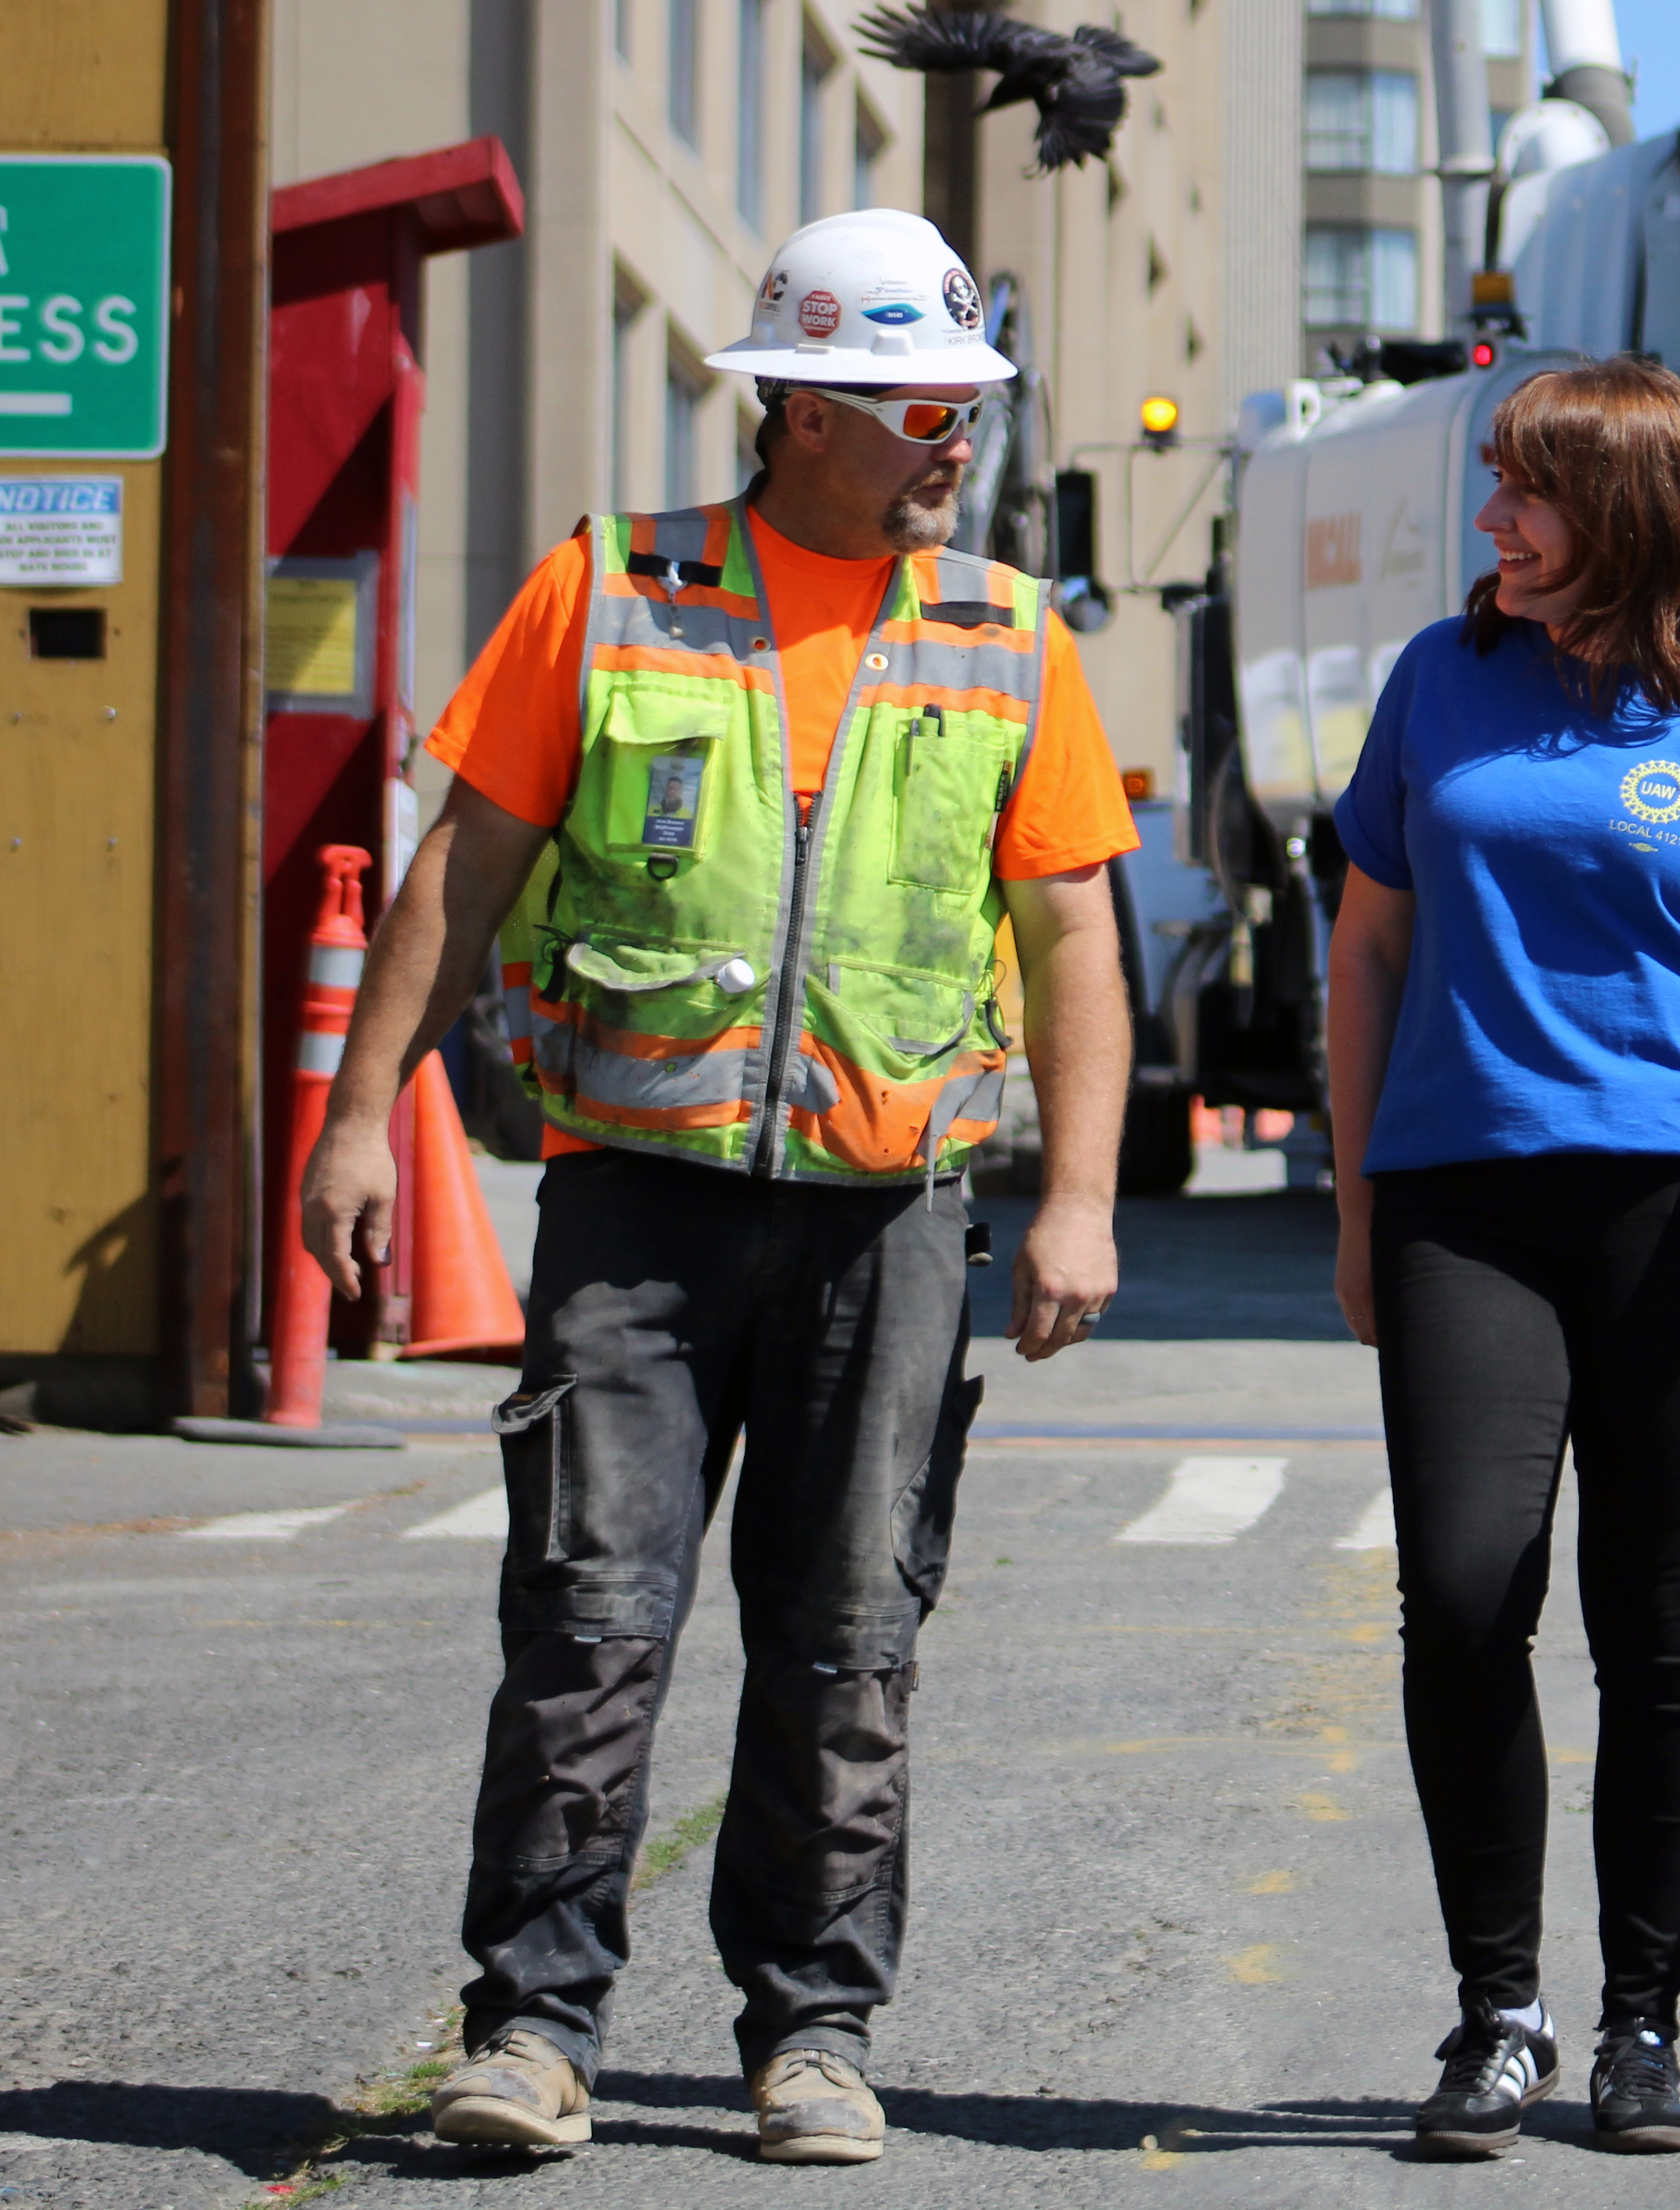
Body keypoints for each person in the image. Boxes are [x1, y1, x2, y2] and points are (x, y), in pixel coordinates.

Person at [296, 209, 1136, 2167]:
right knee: (589, 1616)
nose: (959, 441)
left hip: (892, 1217)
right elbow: (462, 868)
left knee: (852, 1636)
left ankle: (814, 2034)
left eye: (967, 407)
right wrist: (357, 1118)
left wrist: (1082, 1199)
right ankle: (532, 2029)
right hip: (637, 1208)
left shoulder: (1008, 635)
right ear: (810, 411)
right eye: (927, 405)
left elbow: (1075, 933)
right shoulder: (611, 594)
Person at [1324, 356, 1680, 2158]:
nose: (1492, 518)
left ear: (1630, 513)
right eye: (1494, 483)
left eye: (1524, 490)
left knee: (1658, 1631)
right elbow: (1366, 961)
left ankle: (1643, 2019)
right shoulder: (1437, 681)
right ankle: (1498, 2010)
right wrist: (1352, 1204)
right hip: (1461, 1199)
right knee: (1466, 1594)